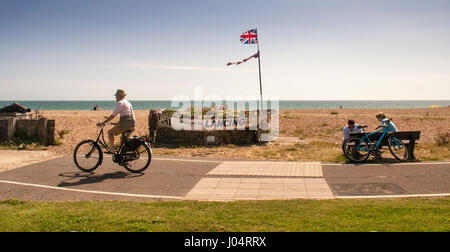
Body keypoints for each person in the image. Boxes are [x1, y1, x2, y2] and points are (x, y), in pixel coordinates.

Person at [97, 89, 135, 154]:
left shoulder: (120, 103)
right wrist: (119, 122)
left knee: (109, 132)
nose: (115, 97)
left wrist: (103, 123)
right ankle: (124, 157)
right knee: (122, 139)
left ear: (119, 96)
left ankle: (112, 149)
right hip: (132, 124)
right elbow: (128, 115)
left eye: (116, 96)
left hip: (125, 125)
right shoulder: (128, 103)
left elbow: (113, 115)